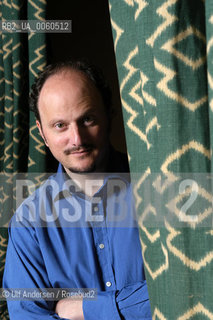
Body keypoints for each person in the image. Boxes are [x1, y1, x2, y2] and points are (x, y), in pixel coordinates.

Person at [3, 60, 152, 319]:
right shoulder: (29, 223)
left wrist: (82, 307)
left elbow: (194, 288)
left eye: (87, 119)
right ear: (42, 133)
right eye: (60, 125)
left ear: (109, 114)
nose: (77, 139)